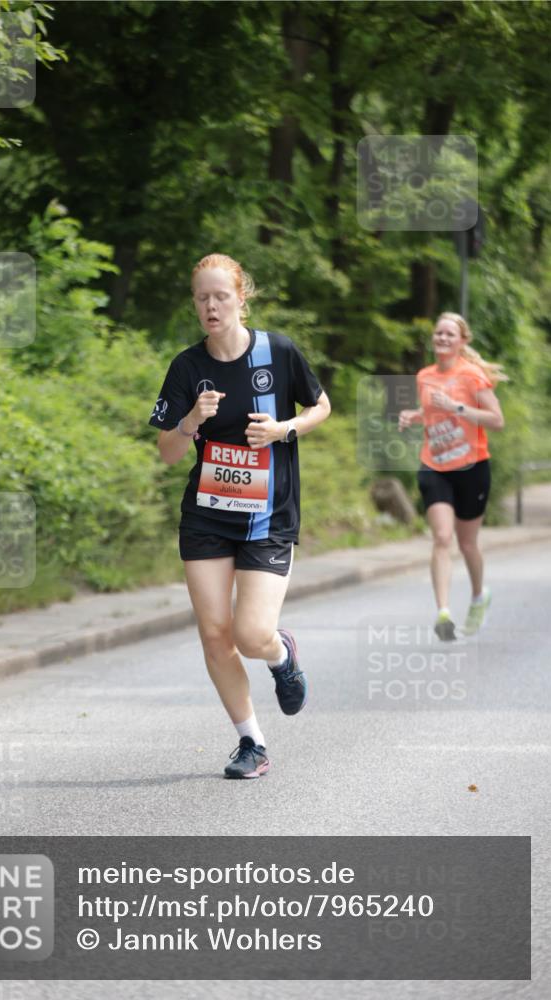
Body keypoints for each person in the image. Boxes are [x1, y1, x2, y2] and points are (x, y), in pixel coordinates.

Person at [149, 253, 330, 778]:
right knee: (214, 633)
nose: (210, 306)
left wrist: (283, 430)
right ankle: (252, 742)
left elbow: (321, 406)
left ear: (240, 298)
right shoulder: (188, 367)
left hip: (269, 515)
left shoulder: (278, 351)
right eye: (202, 298)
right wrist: (188, 421)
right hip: (206, 514)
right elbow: (166, 452)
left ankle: (281, 656)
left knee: (251, 634)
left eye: (220, 296)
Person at [398, 312, 506, 640]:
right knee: (442, 537)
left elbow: (496, 419)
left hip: (472, 467)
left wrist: (457, 407)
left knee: (468, 542)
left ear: (462, 341)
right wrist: (414, 416)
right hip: (435, 465)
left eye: (449, 334)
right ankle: (443, 611)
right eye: (438, 333)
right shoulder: (425, 376)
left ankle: (477, 596)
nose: (442, 339)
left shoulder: (472, 376)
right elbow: (432, 414)